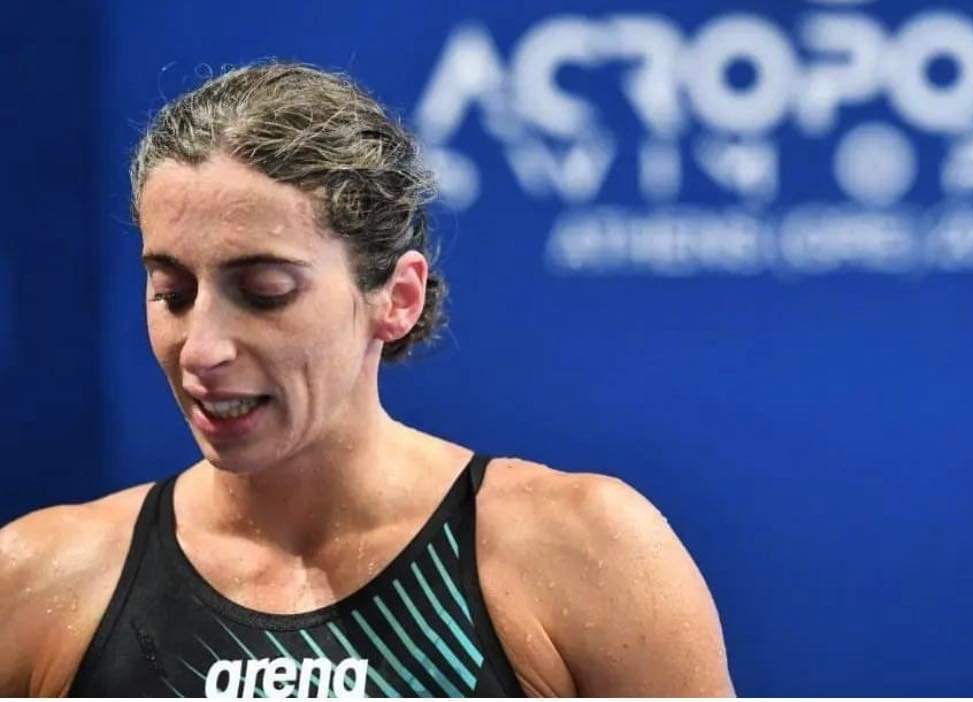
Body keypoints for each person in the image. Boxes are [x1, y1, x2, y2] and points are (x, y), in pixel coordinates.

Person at [0, 61, 733, 698]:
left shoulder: (580, 556)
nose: (202, 348)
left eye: (263, 293)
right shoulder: (39, 581)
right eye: (172, 293)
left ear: (397, 298)